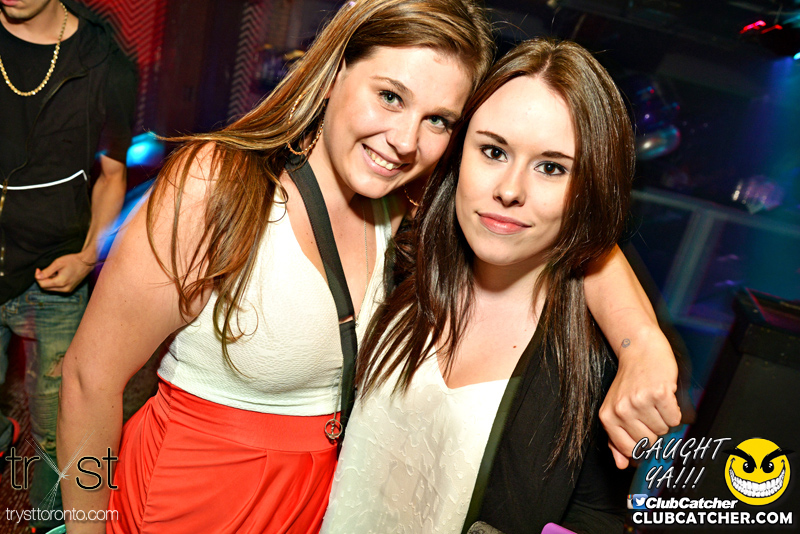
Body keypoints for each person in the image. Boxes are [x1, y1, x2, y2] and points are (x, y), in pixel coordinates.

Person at [58, 1, 676, 533]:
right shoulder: (221, 187)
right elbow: (89, 379)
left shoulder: (405, 205)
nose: (405, 140)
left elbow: (573, 233)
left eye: (438, 120)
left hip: (308, 512)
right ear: (334, 74)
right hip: (186, 503)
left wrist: (641, 342)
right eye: (390, 96)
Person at [322, 38, 644, 534]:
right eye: (493, 151)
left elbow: (596, 514)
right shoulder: (395, 260)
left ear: (590, 188)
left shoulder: (593, 355)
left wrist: (641, 344)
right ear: (458, 153)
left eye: (552, 167)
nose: (510, 190)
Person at [0, 0, 135, 528]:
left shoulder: (103, 61)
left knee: (60, 427)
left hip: (52, 275)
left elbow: (112, 176)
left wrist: (87, 257)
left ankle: (47, 522)